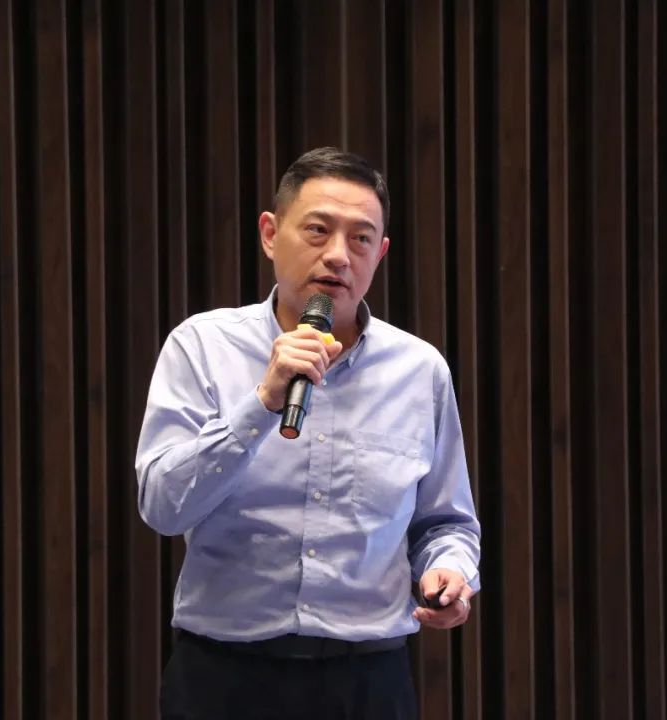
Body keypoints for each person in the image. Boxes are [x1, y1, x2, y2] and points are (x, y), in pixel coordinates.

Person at [135, 147, 481, 720]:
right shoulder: (201, 347)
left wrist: (449, 571)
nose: (338, 255)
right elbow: (163, 507)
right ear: (271, 234)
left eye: (361, 239)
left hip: (368, 682)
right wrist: (262, 403)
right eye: (318, 230)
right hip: (224, 678)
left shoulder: (420, 371)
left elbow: (446, 522)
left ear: (381, 253)